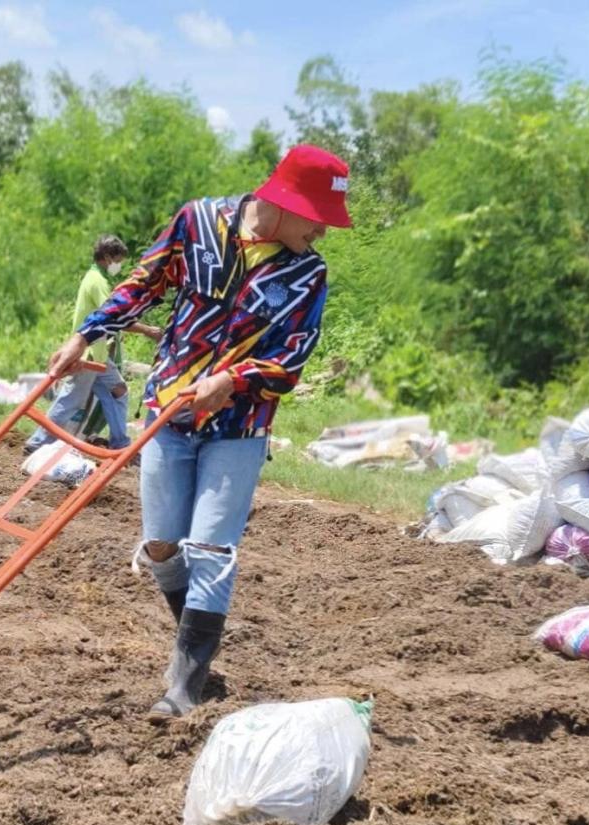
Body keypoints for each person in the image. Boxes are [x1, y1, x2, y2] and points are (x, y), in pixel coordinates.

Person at [47, 144, 351, 721]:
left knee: (210, 548)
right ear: (287, 204)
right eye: (319, 220)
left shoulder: (308, 273)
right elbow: (142, 284)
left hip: (239, 425)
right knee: (162, 544)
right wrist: (84, 337)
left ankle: (185, 682)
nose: (324, 233)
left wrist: (233, 381)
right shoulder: (198, 223)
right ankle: (196, 647)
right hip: (169, 409)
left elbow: (291, 360)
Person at [23, 235, 159, 455]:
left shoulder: (95, 278)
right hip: (89, 355)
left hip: (99, 357)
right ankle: (38, 441)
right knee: (72, 399)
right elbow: (114, 315)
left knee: (119, 392)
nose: (119, 265)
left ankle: (121, 444)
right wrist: (149, 331)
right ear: (106, 257)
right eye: (118, 260)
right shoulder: (97, 281)